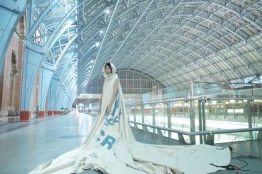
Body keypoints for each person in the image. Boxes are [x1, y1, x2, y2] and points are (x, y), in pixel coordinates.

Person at [29, 63, 231, 174]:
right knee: (100, 133)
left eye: (109, 68)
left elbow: (116, 93)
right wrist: (101, 105)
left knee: (114, 135)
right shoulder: (105, 80)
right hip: (103, 110)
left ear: (112, 69)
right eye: (106, 69)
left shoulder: (115, 79)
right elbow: (103, 94)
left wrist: (109, 106)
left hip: (112, 109)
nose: (107, 71)